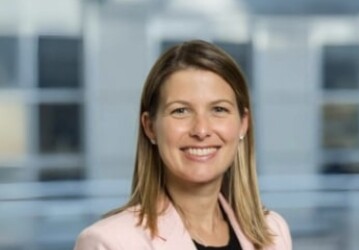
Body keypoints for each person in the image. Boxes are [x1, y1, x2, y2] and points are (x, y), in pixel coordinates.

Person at [74, 40, 292, 250]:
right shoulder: (109, 242)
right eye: (180, 111)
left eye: (219, 109)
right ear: (150, 127)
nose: (201, 130)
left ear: (243, 124)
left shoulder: (274, 233)